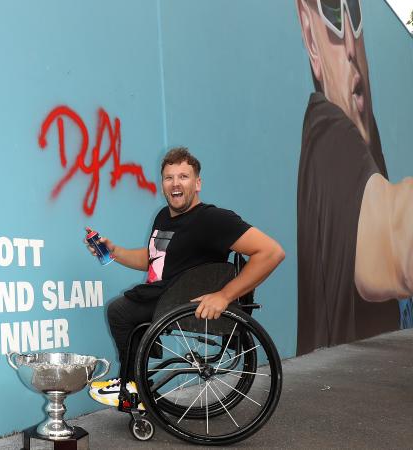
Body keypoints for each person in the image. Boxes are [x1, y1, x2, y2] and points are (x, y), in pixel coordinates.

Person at [86, 147, 285, 407]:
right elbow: (154, 260)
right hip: (163, 294)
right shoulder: (163, 216)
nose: (175, 183)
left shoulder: (213, 219)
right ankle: (135, 381)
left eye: (183, 176)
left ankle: (133, 385)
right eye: (169, 178)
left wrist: (225, 296)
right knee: (126, 310)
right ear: (163, 184)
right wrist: (115, 252)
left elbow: (271, 252)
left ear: (197, 183)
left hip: (182, 301)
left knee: (120, 311)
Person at [295, 0, 413, 355]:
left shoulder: (366, 133)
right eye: (332, 16)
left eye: (355, 17)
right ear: (311, 41)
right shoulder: (330, 132)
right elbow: (395, 233)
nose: (350, 46)